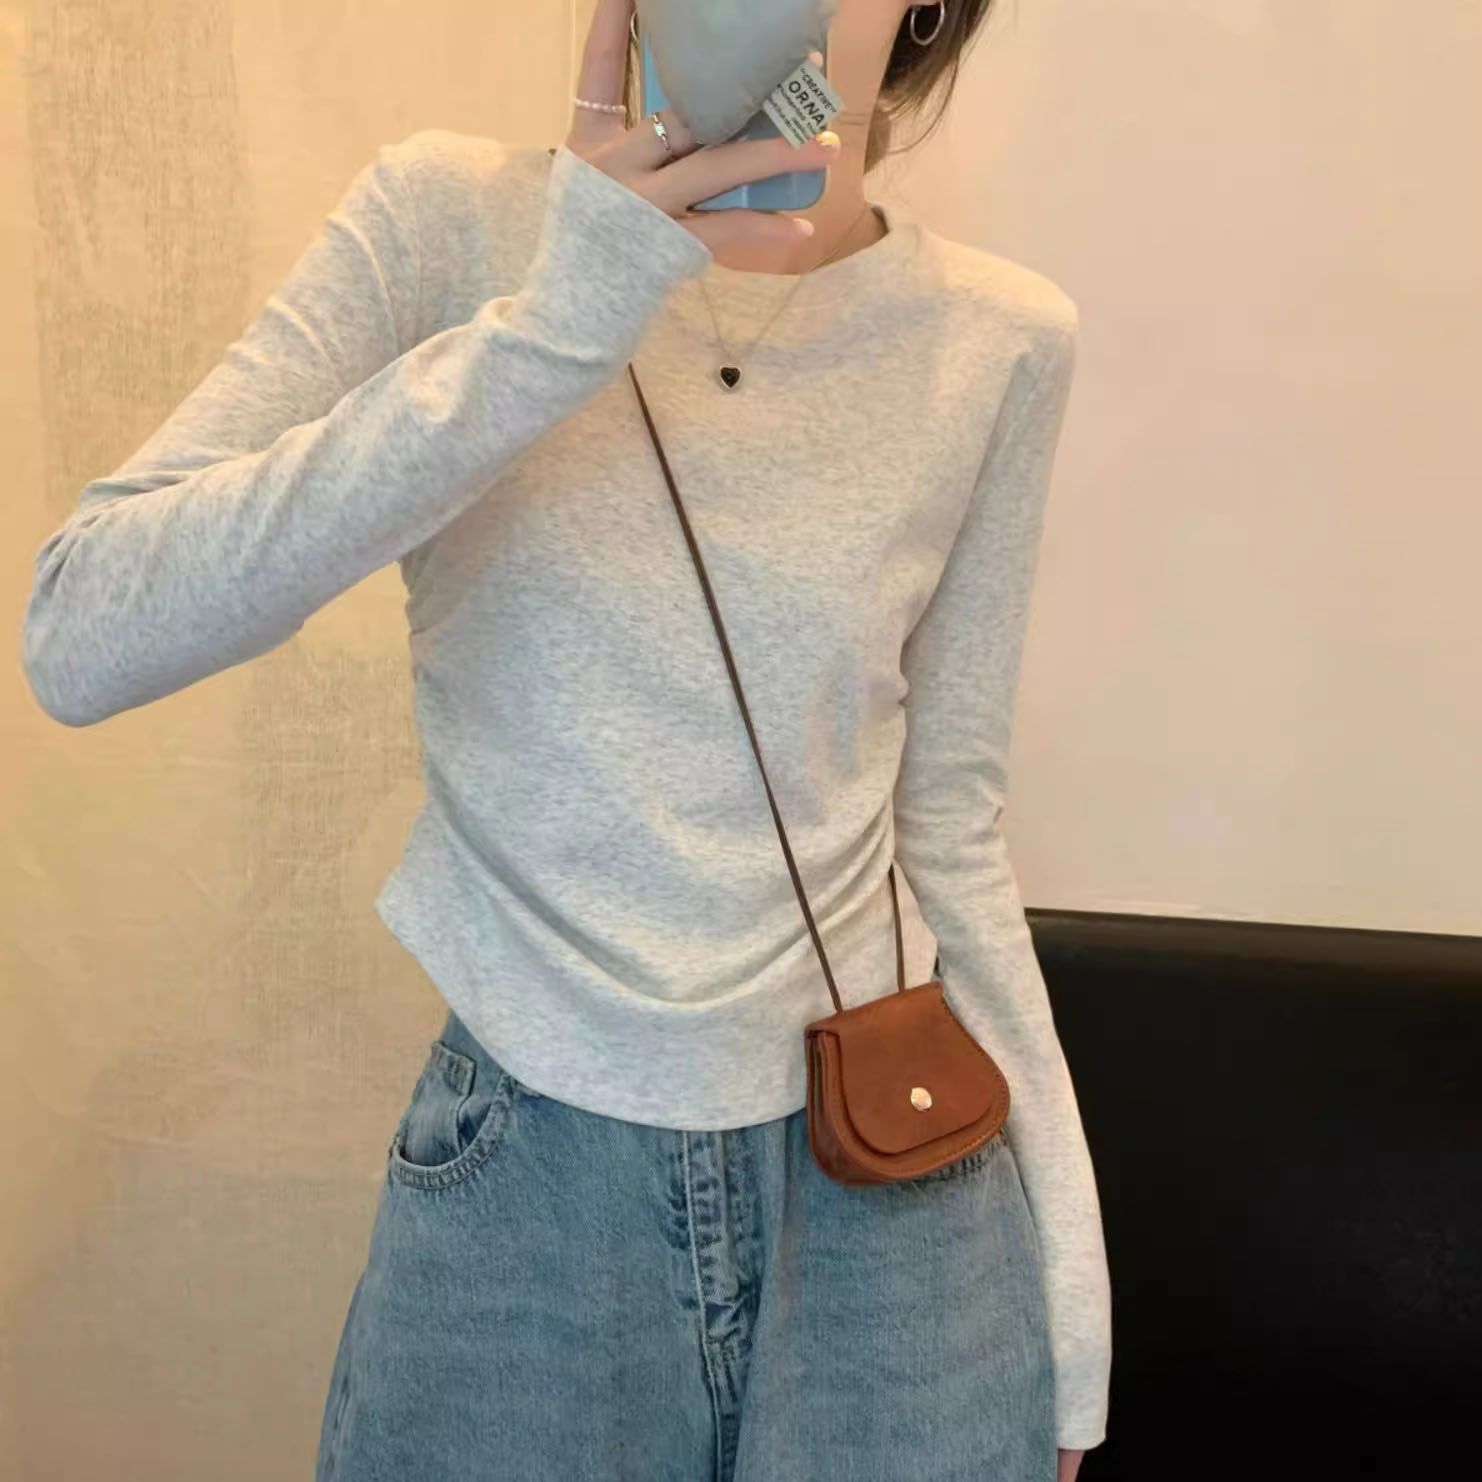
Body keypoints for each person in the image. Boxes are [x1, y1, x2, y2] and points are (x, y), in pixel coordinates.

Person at [20, 1, 1110, 1477]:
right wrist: (556, 320)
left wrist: (1069, 1319)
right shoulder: (451, 224)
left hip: (894, 1199)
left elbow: (950, 831)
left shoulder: (998, 339)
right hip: (525, 1187)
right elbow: (85, 633)